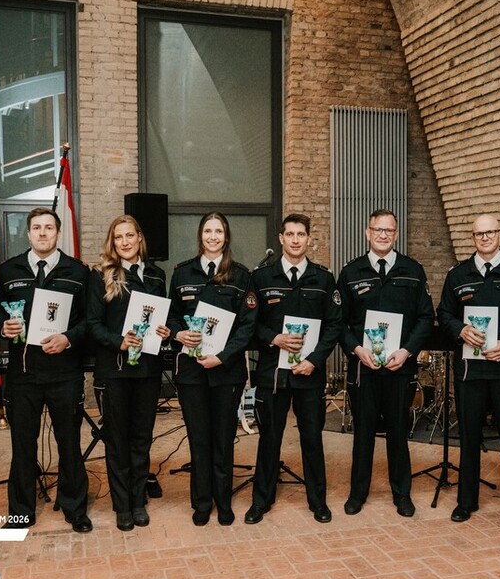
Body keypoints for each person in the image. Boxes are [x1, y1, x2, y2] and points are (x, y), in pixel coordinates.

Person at [0, 207, 92, 533]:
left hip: (65, 373)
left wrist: (67, 338)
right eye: (37, 228)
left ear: (58, 233)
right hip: (23, 375)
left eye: (49, 227)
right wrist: (3, 326)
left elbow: (88, 321)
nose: (43, 233)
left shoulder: (77, 271)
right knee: (23, 446)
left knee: (69, 444)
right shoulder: (9, 270)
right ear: (29, 233)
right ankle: (20, 512)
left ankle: (75, 508)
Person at [436, 214, 500, 523]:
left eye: (490, 232)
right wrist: (460, 330)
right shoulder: (458, 274)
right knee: (468, 436)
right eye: (479, 234)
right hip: (470, 372)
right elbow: (444, 313)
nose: (485, 238)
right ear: (473, 237)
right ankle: (466, 501)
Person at [244, 214, 343, 525]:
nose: (296, 239)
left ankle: (318, 502)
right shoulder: (261, 278)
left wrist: (313, 359)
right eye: (290, 234)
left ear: (309, 239)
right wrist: (273, 337)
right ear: (281, 238)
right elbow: (250, 324)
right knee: (269, 438)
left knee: (312, 438)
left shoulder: (324, 279)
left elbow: (334, 325)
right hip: (273, 371)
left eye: (301, 234)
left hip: (308, 374)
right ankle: (261, 500)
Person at [337, 209, 434, 517]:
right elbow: (338, 322)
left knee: (398, 432)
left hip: (399, 367)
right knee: (362, 433)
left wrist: (407, 351)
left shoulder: (412, 270)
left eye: (388, 230)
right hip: (362, 369)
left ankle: (401, 494)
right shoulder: (351, 272)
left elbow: (425, 318)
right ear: (367, 233)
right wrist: (355, 349)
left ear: (396, 235)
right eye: (377, 229)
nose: (382, 235)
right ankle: (357, 493)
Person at [167, 212, 257, 526]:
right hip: (191, 372)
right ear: (200, 235)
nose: (213, 236)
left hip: (226, 371)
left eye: (219, 231)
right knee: (198, 438)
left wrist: (223, 356)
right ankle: (202, 503)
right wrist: (178, 333)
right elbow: (171, 316)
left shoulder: (242, 276)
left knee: (223, 438)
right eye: (208, 231)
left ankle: (224, 500)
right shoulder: (181, 273)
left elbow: (247, 327)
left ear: (226, 236)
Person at [86, 215, 171, 531]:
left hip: (148, 370)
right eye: (118, 236)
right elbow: (93, 325)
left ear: (139, 237)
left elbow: (167, 317)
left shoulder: (157, 276)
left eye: (129, 235)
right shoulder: (101, 276)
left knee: (141, 439)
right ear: (113, 241)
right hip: (116, 371)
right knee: (117, 441)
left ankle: (138, 501)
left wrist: (166, 329)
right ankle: (122, 505)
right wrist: (118, 341)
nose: (124, 241)